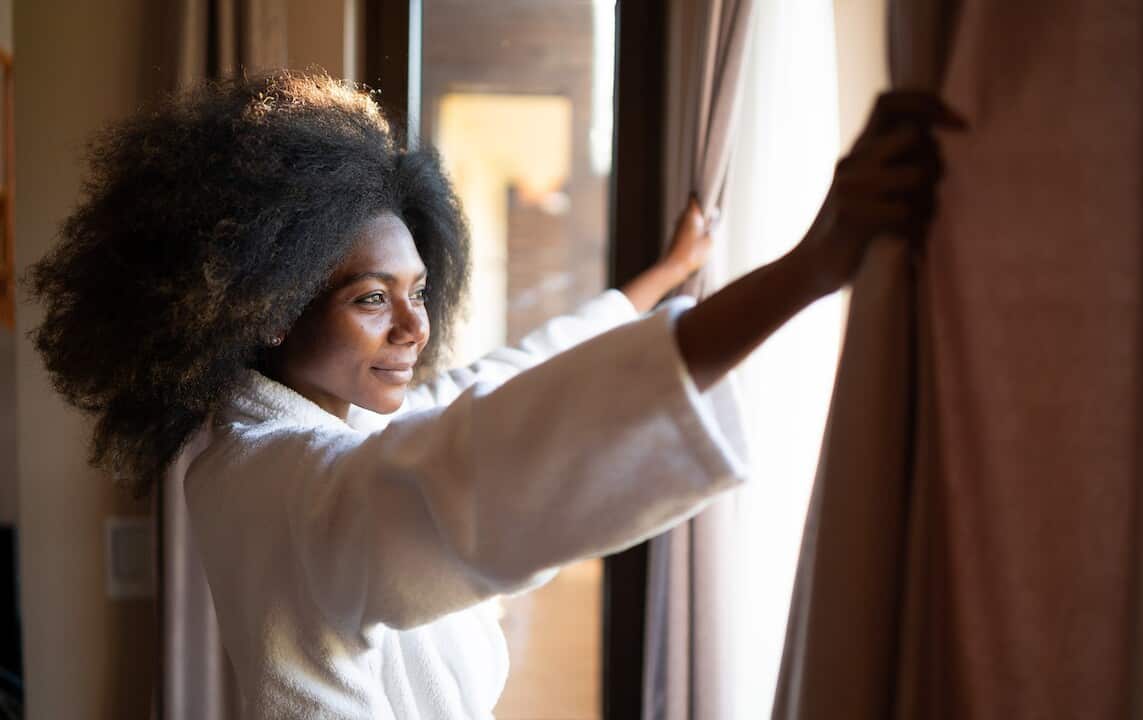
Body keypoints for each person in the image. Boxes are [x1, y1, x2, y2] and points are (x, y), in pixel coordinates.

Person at [28, 72, 959, 718]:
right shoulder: (276, 481)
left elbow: (497, 381)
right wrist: (806, 270)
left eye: (418, 293)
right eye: (369, 300)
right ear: (269, 311)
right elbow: (475, 462)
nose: (414, 330)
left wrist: (663, 277)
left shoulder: (300, 430)